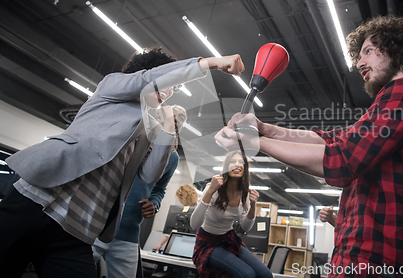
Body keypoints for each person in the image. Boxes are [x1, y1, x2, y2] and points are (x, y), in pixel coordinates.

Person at [215, 16, 403, 277]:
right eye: (359, 55)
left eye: (369, 51)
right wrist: (264, 128)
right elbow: (331, 140)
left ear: (397, 48)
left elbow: (342, 160)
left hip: (385, 262)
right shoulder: (393, 101)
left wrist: (254, 142)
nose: (359, 63)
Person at [0, 48, 244, 278]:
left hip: (77, 229)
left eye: (174, 88)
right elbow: (147, 80)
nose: (169, 91)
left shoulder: (152, 127)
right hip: (37, 201)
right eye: (168, 84)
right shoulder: (112, 87)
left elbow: (149, 176)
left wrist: (168, 128)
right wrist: (210, 63)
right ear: (147, 73)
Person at [92, 105, 187, 278]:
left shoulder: (171, 158)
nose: (176, 118)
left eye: (181, 118)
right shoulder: (133, 136)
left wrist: (155, 204)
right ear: (159, 115)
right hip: (96, 225)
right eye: (173, 113)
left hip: (128, 232)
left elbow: (159, 189)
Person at [190, 151, 273, 278]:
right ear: (226, 167)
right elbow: (194, 224)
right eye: (232, 162)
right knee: (247, 274)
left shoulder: (245, 194)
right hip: (208, 242)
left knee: (266, 274)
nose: (237, 165)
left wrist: (253, 205)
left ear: (245, 168)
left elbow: (245, 227)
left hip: (229, 239)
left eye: (241, 162)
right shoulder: (213, 188)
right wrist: (210, 191)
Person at [154, 183, 200, 252]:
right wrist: (160, 244)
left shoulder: (199, 209)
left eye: (181, 198)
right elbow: (172, 229)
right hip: (180, 242)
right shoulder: (179, 211)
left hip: (193, 243)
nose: (180, 201)